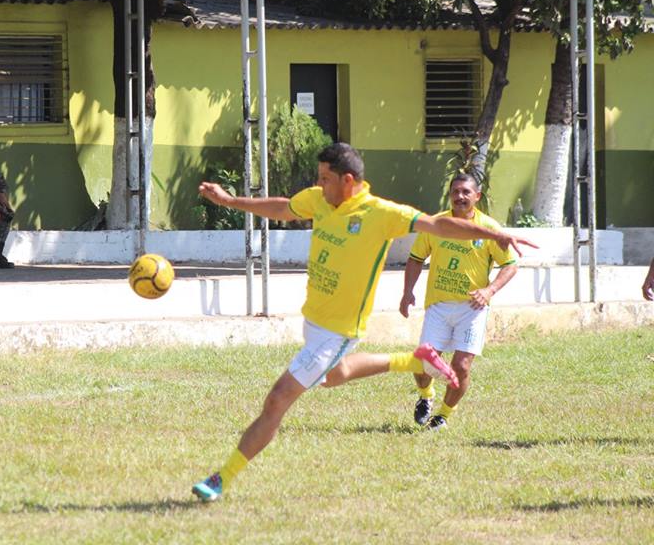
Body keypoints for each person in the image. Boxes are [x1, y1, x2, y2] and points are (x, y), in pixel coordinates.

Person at [191, 143, 536, 503]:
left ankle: (221, 477)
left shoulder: (380, 213)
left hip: (338, 330)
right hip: (314, 320)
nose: (319, 184)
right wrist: (231, 201)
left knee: (278, 399)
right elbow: (284, 207)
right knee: (333, 377)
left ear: (348, 180)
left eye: (325, 178)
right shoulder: (320, 199)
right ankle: (415, 361)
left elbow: (436, 224)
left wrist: (493, 234)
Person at [399, 173, 518, 430]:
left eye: (466, 192)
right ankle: (425, 397)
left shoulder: (488, 229)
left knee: (461, 366)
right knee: (423, 364)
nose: (460, 196)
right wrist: (408, 292)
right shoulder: (436, 224)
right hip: (438, 307)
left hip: (472, 310)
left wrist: (489, 290)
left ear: (477, 196)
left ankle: (442, 415)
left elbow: (510, 265)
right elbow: (416, 258)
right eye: (455, 191)